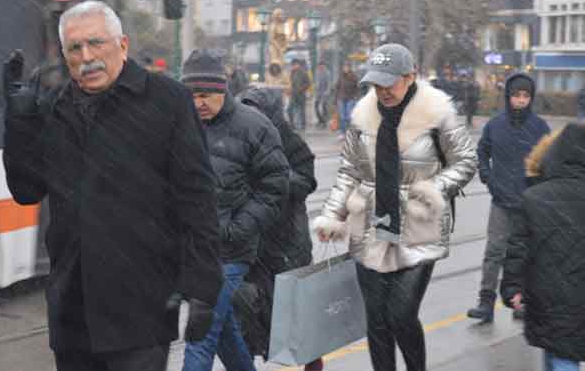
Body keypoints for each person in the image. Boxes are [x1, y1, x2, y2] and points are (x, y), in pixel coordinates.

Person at [2, 0, 223, 371]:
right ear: (65, 56)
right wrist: (19, 122)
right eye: (75, 48)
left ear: (122, 45)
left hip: (141, 307)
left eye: (96, 43)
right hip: (73, 314)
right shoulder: (56, 107)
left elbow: (197, 199)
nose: (86, 57)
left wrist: (203, 287)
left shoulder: (167, 100)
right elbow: (26, 191)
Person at [313, 43, 477, 371]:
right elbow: (349, 171)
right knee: (376, 319)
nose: (382, 91)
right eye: (376, 84)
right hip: (370, 227)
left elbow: (466, 161)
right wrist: (332, 215)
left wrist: (433, 189)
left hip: (420, 228)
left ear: (410, 77)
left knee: (401, 314)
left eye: (388, 83)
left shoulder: (438, 113)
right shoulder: (362, 118)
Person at [181, 50, 290, 371]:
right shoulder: (179, 123)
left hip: (230, 251)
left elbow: (276, 185)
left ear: (223, 89)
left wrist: (237, 229)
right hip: (192, 249)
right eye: (192, 96)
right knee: (223, 330)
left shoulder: (253, 125)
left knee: (201, 333)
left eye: (206, 95)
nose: (198, 103)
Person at [501, 123, 585, 371]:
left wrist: (512, 287)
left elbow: (517, 247)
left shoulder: (534, 196)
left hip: (542, 294)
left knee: (553, 350)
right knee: (565, 356)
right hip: (582, 296)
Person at [238, 86, 323, 371]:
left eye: (257, 110)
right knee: (248, 318)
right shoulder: (238, 138)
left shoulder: (289, 140)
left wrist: (273, 174)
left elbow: (306, 182)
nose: (251, 116)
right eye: (246, 109)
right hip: (251, 243)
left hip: (287, 244)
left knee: (301, 321)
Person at [467, 73, 550, 323]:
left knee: (524, 254)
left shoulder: (540, 127)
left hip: (528, 203)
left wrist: (539, 188)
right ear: (508, 96)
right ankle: (486, 302)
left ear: (531, 98)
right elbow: (482, 152)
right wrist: (487, 176)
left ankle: (520, 301)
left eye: (526, 96)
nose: (521, 100)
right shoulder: (495, 125)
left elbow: (548, 160)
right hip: (501, 201)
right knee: (494, 251)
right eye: (516, 95)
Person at [334, 61, 360, 139]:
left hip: (350, 99)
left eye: (347, 67)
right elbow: (337, 88)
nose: (345, 68)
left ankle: (350, 133)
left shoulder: (354, 77)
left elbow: (357, 88)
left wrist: (355, 97)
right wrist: (335, 100)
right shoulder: (341, 76)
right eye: (344, 67)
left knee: (349, 117)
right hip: (341, 99)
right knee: (342, 117)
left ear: (350, 68)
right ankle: (343, 133)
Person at [287, 59, 310, 131]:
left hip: (301, 95)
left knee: (302, 111)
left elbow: (308, 84)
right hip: (293, 95)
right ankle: (292, 124)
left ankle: (303, 126)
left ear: (298, 65)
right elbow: (290, 83)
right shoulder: (292, 73)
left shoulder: (304, 73)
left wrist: (301, 89)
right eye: (292, 65)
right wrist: (290, 90)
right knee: (289, 109)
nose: (293, 66)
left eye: (294, 65)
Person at [313, 61, 331, 128]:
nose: (320, 67)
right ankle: (320, 120)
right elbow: (315, 81)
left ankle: (324, 122)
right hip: (317, 93)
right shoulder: (317, 72)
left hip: (324, 93)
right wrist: (314, 88)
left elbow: (329, 83)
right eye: (319, 66)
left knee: (324, 107)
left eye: (322, 66)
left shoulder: (327, 73)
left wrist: (327, 92)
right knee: (316, 107)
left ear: (324, 66)